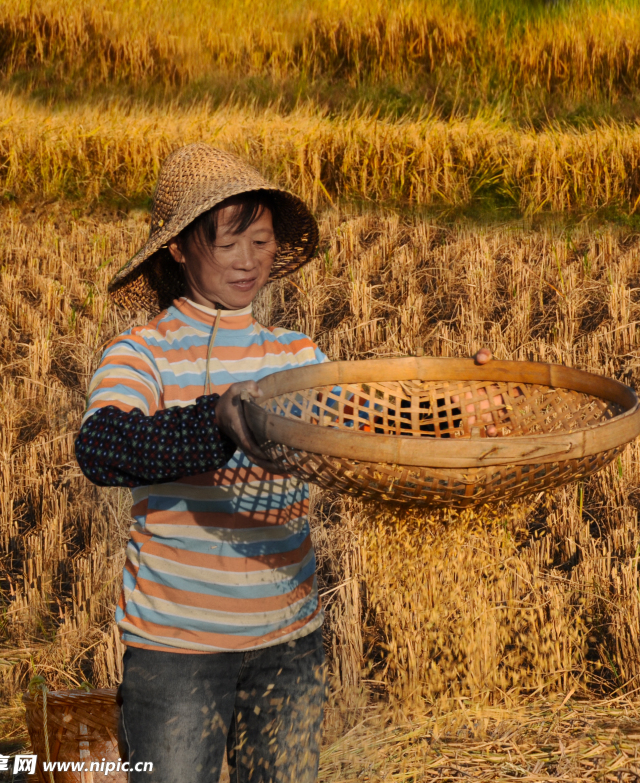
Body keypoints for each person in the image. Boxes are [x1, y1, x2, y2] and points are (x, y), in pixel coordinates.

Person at [74, 143, 496, 783]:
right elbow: (104, 447)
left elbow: (360, 426)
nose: (248, 262)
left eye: (262, 242)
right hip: (178, 649)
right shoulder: (144, 352)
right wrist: (217, 420)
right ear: (180, 248)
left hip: (290, 641)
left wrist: (451, 408)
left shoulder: (296, 354)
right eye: (227, 244)